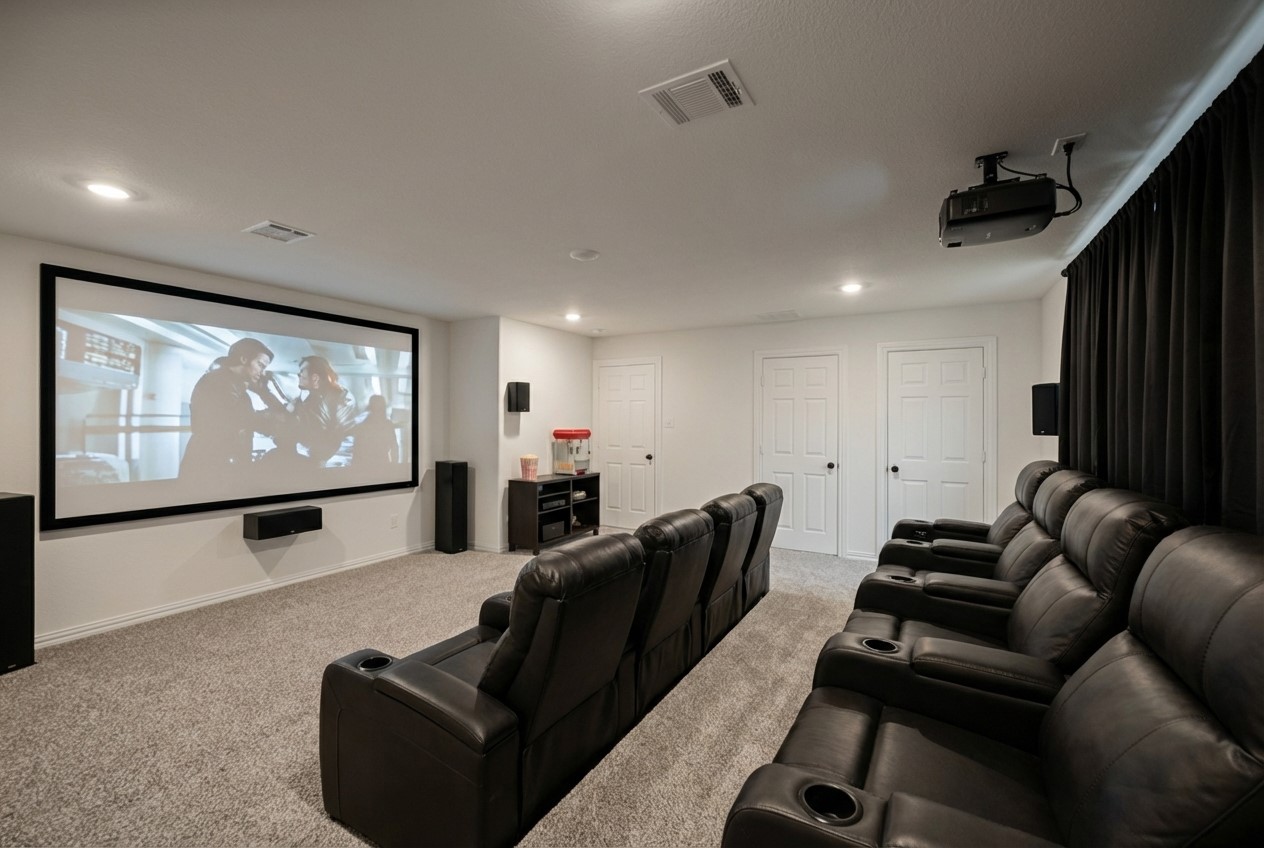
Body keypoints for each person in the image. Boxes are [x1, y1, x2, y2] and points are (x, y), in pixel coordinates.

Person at [179, 338, 284, 484]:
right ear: (243, 359)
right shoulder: (217, 382)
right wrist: (265, 394)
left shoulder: (238, 389)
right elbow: (246, 420)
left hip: (221, 468)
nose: (262, 372)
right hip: (208, 471)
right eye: (260, 365)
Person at [288, 355, 357, 466]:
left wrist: (327, 465)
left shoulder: (342, 397)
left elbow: (345, 436)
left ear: (315, 378)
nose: (298, 375)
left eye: (302, 371)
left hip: (331, 464)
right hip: (311, 461)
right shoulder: (306, 398)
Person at [351, 394, 398, 471]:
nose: (378, 412)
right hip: (370, 468)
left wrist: (394, 467)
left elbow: (394, 448)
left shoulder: (387, 425)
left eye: (380, 409)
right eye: (377, 409)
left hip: (380, 467)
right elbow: (356, 453)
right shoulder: (362, 427)